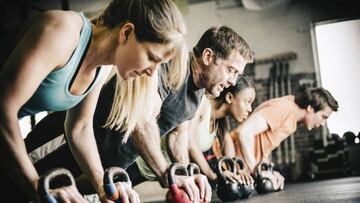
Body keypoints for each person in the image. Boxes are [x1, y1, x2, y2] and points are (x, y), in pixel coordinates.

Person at [26, 26, 254, 202]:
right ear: (207, 56)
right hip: (65, 140)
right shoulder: (171, 63)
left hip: (100, 163)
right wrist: (167, 174)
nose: (233, 81)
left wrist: (185, 176)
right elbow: (141, 119)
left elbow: (178, 137)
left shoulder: (198, 93)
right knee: (17, 185)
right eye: (231, 70)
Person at [0, 0, 188, 202]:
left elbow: (79, 128)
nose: (152, 72)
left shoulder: (103, 67)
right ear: (126, 32)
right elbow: (4, 108)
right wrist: (37, 186)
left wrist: (103, 187)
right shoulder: (62, 32)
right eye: (152, 57)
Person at [133, 75, 256, 188]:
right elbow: (189, 141)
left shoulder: (220, 123)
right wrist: (212, 175)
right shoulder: (203, 104)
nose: (250, 109)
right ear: (229, 97)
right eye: (247, 102)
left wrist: (236, 169)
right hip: (140, 163)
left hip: (161, 171)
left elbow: (227, 145)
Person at [233, 87, 339, 190]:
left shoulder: (292, 121)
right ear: (310, 108)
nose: (323, 123)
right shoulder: (285, 108)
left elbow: (262, 147)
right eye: (323, 117)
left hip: (241, 172)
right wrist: (258, 172)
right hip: (228, 165)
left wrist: (270, 171)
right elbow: (244, 133)